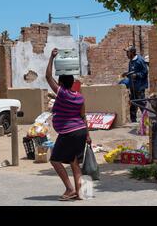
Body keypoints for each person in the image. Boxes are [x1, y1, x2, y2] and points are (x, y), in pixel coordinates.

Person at [46, 48, 91, 201]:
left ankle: (69, 188)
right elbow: (83, 117)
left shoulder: (62, 93)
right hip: (80, 132)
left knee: (55, 160)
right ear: (72, 83)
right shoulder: (79, 97)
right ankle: (80, 193)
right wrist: (88, 136)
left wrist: (51, 58)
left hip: (69, 132)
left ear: (61, 83)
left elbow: (47, 77)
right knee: (74, 162)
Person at [122, 46, 148, 123]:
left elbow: (145, 72)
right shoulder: (131, 61)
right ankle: (133, 121)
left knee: (141, 103)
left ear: (132, 52)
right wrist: (127, 74)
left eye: (128, 52)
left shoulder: (140, 60)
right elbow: (132, 72)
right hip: (133, 86)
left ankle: (146, 121)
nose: (126, 54)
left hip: (139, 86)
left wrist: (136, 75)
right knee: (133, 103)